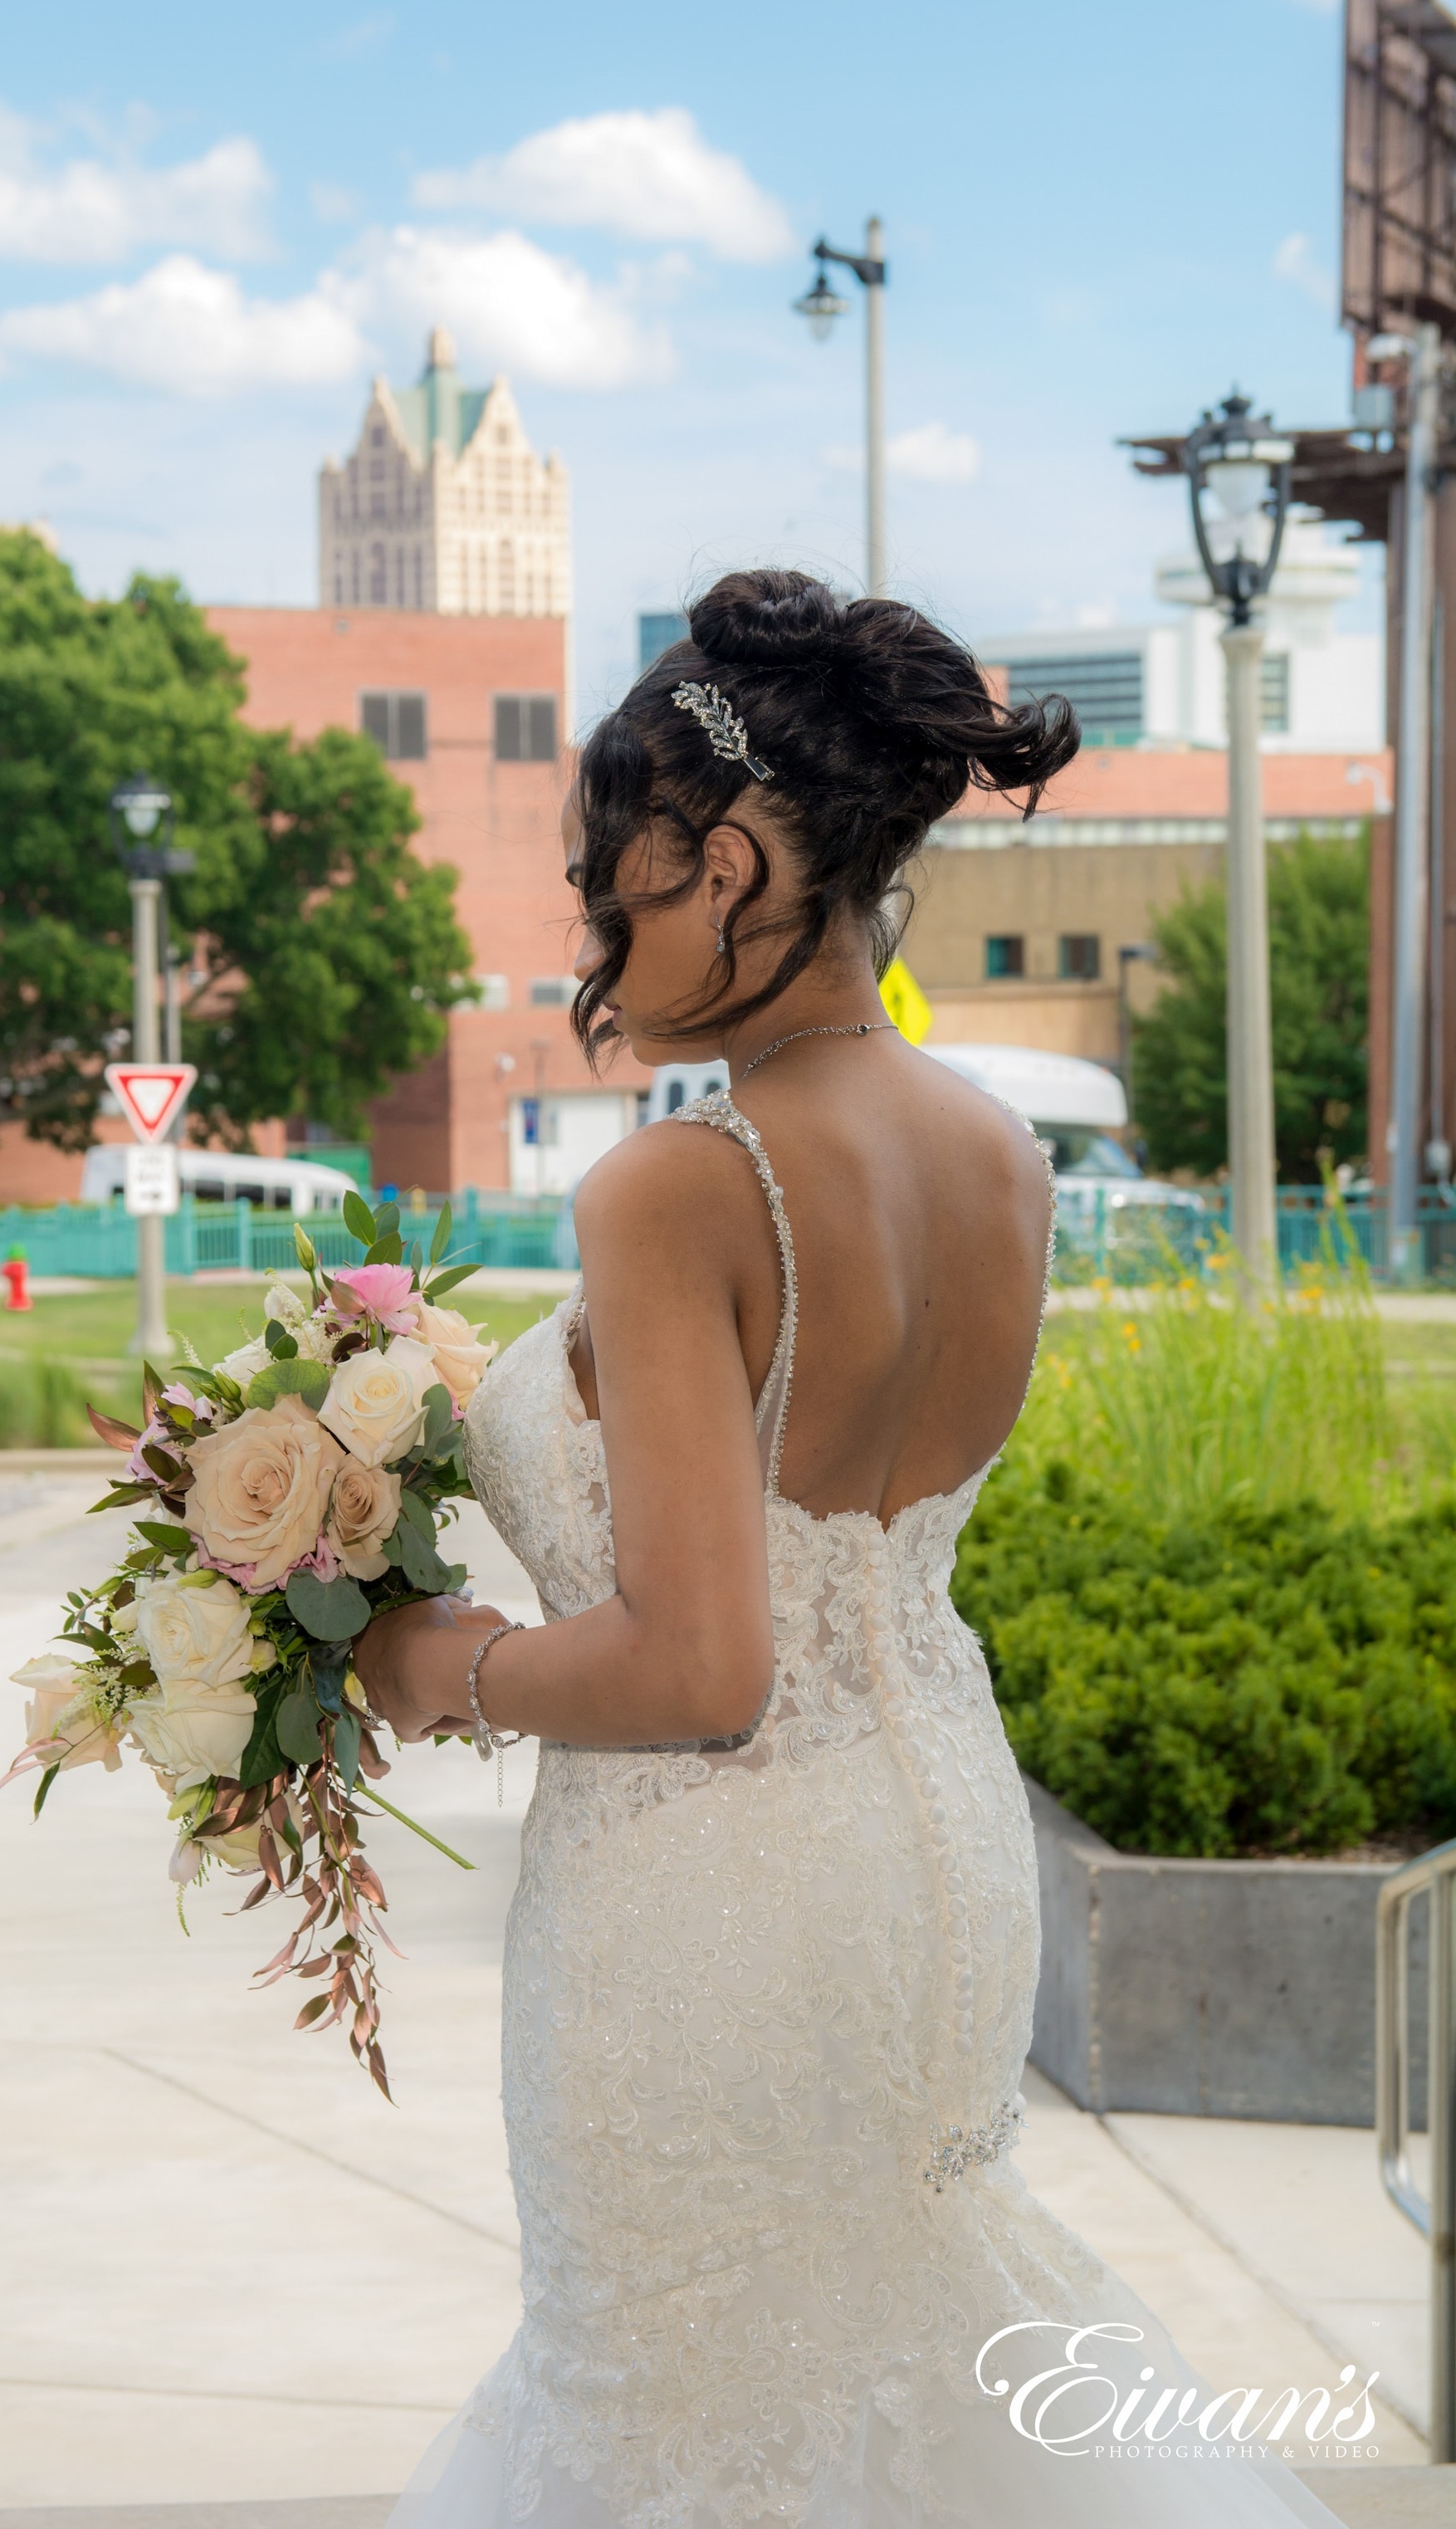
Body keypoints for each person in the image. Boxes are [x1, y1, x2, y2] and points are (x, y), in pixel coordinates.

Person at [356, 571, 1345, 2527]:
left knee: (674, 2396)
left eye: (613, 894)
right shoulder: (998, 1155)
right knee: (894, 2353)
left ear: (728, 865)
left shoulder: (677, 1192)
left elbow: (700, 1667)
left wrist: (426, 1663)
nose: (594, 945)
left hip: (707, 1921)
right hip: (940, 1871)